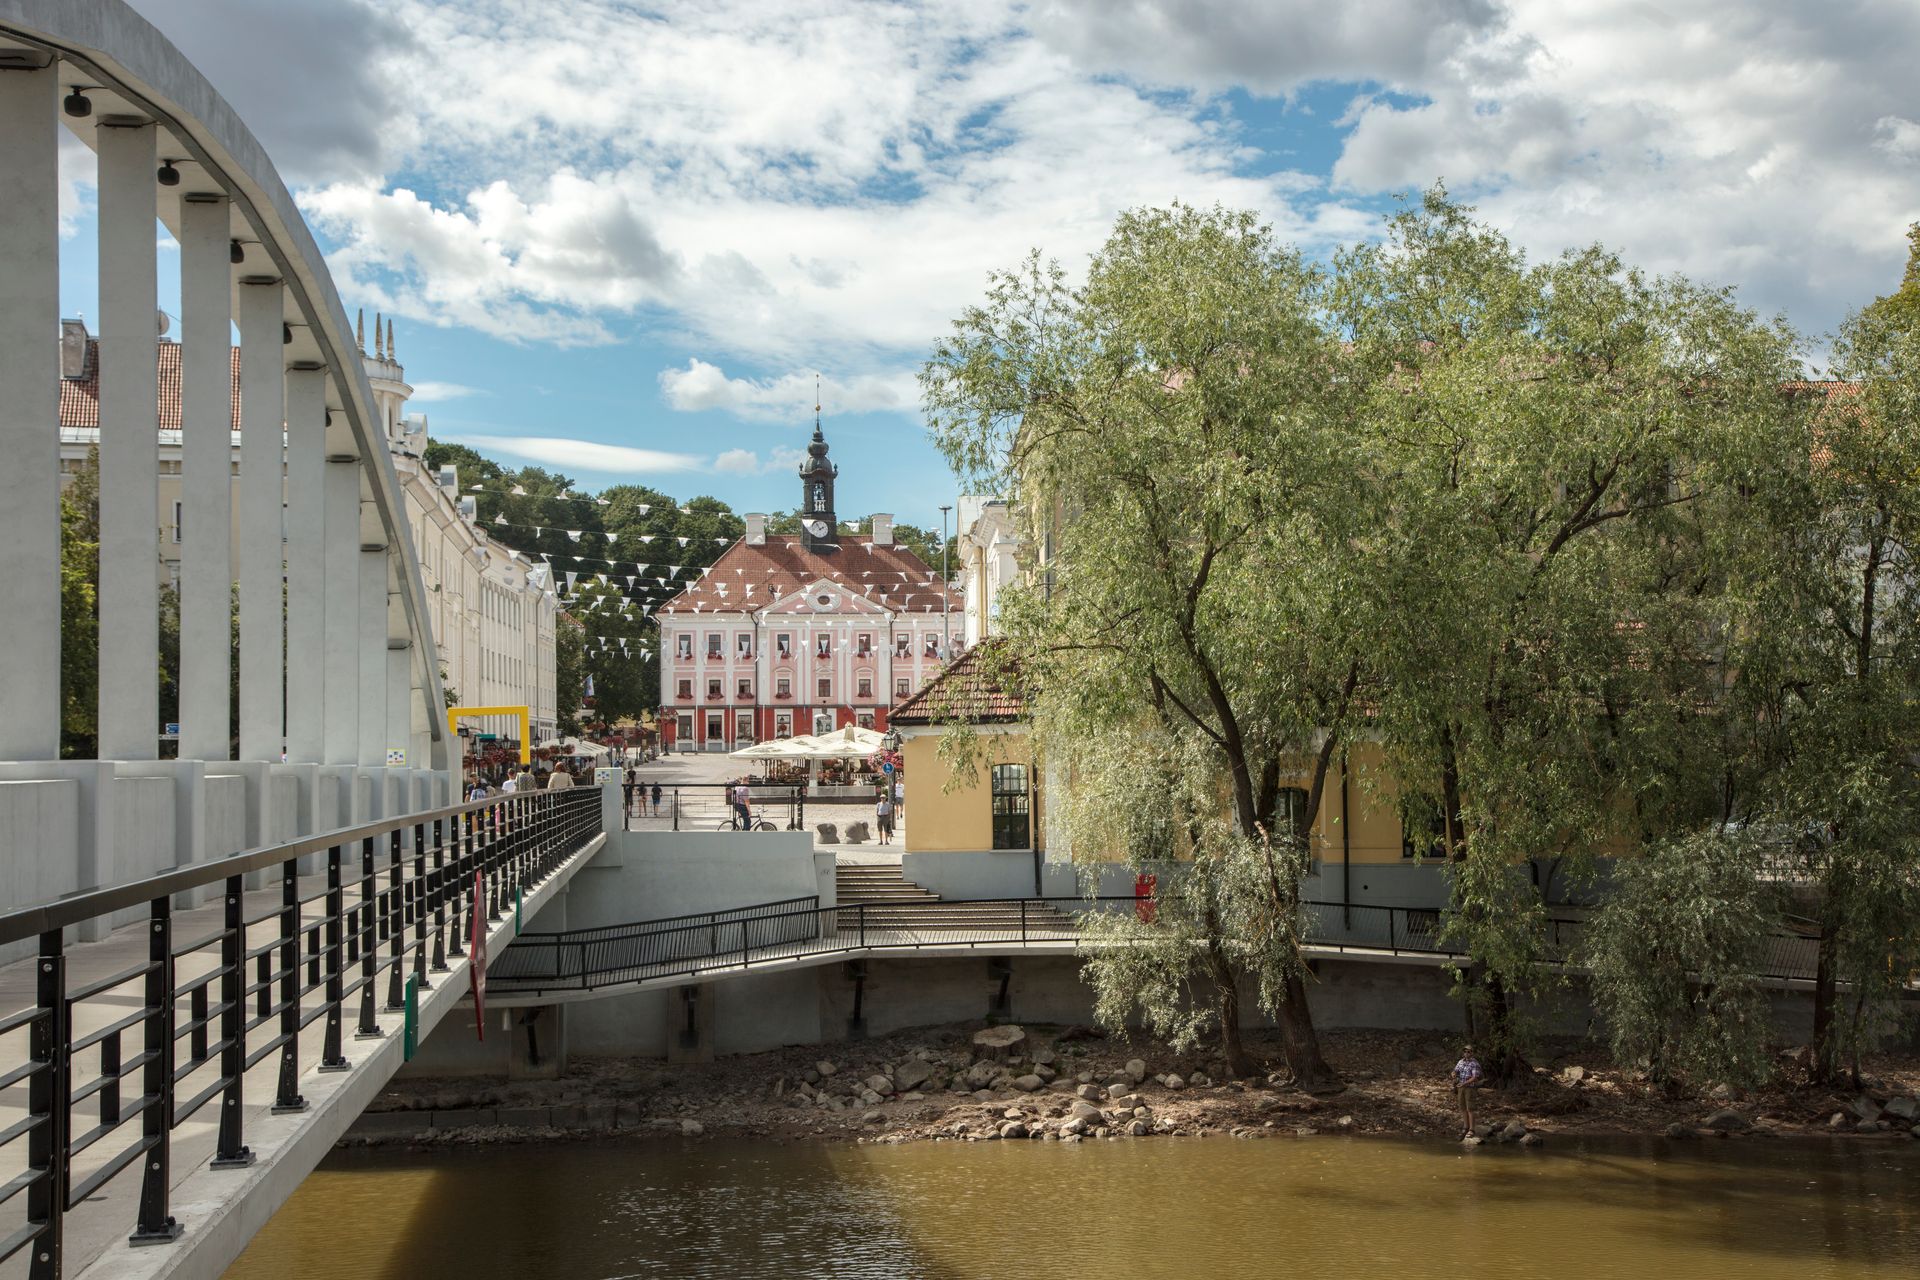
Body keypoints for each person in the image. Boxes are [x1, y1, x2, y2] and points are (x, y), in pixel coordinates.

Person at [1451, 1044, 1484, 1139]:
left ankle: (1471, 1129)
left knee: (1470, 1108)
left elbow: (1475, 1077)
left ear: (1472, 1053)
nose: (1466, 1053)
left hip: (1470, 1088)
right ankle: (1465, 1127)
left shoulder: (1474, 1063)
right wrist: (1453, 1074)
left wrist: (1464, 1083)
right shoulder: (1460, 1062)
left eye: (1469, 1052)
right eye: (1465, 1051)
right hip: (1460, 1087)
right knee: (1462, 1107)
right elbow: (1455, 1071)